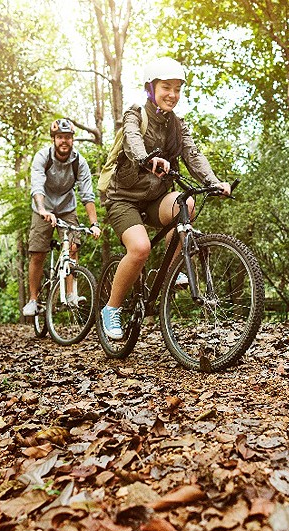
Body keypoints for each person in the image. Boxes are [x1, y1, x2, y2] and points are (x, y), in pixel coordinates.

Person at [100, 57, 230, 339]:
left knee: (189, 204)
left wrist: (214, 182)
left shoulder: (178, 126)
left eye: (177, 88)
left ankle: (171, 273)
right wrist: (148, 158)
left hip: (156, 199)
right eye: (166, 87)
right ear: (151, 89)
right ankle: (111, 308)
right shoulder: (136, 113)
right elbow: (132, 140)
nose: (173, 94)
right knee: (140, 249)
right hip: (124, 198)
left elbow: (193, 156)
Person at [22, 118, 101, 317]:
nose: (63, 141)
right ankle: (33, 300)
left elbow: (87, 194)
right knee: (38, 252)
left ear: (72, 139)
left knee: (73, 247)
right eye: (59, 137)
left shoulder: (79, 162)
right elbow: (37, 186)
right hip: (43, 207)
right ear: (53, 139)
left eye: (67, 137)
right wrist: (42, 209)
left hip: (67, 207)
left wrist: (94, 224)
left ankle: (71, 294)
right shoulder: (42, 157)